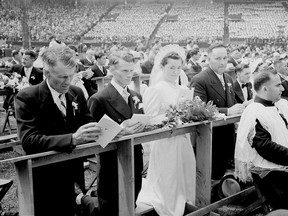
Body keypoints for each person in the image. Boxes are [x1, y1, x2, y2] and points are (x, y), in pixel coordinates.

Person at [15, 46, 102, 216]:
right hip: (44, 178)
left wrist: (111, 130)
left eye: (71, 75)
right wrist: (72, 139)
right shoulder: (28, 97)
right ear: (46, 73)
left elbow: (88, 123)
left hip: (73, 174)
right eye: (62, 77)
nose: (68, 82)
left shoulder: (76, 92)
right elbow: (29, 140)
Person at [137, 45, 196, 216]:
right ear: (162, 67)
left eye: (178, 67)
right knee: (169, 174)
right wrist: (169, 120)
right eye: (171, 67)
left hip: (182, 137)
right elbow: (152, 117)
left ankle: (185, 201)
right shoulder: (156, 89)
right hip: (165, 139)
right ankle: (170, 205)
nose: (175, 71)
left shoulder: (183, 89)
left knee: (184, 170)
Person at [88, 50, 145, 215]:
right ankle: (86, 201)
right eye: (124, 71)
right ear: (112, 70)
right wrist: (120, 131)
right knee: (112, 205)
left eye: (131, 70)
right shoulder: (99, 98)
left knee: (131, 199)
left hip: (135, 155)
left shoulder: (136, 95)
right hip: (112, 160)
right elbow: (92, 134)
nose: (129, 75)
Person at [234, 68, 288, 210]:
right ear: (265, 89)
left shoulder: (280, 105)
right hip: (270, 173)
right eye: (277, 85)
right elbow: (264, 147)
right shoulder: (255, 111)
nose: (282, 88)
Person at [190, 43, 245, 181]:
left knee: (220, 173)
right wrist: (227, 111)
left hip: (226, 133)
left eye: (225, 58)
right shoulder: (200, 79)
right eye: (218, 58)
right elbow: (199, 109)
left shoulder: (227, 78)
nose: (222, 62)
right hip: (211, 136)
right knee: (210, 174)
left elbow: (231, 102)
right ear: (209, 59)